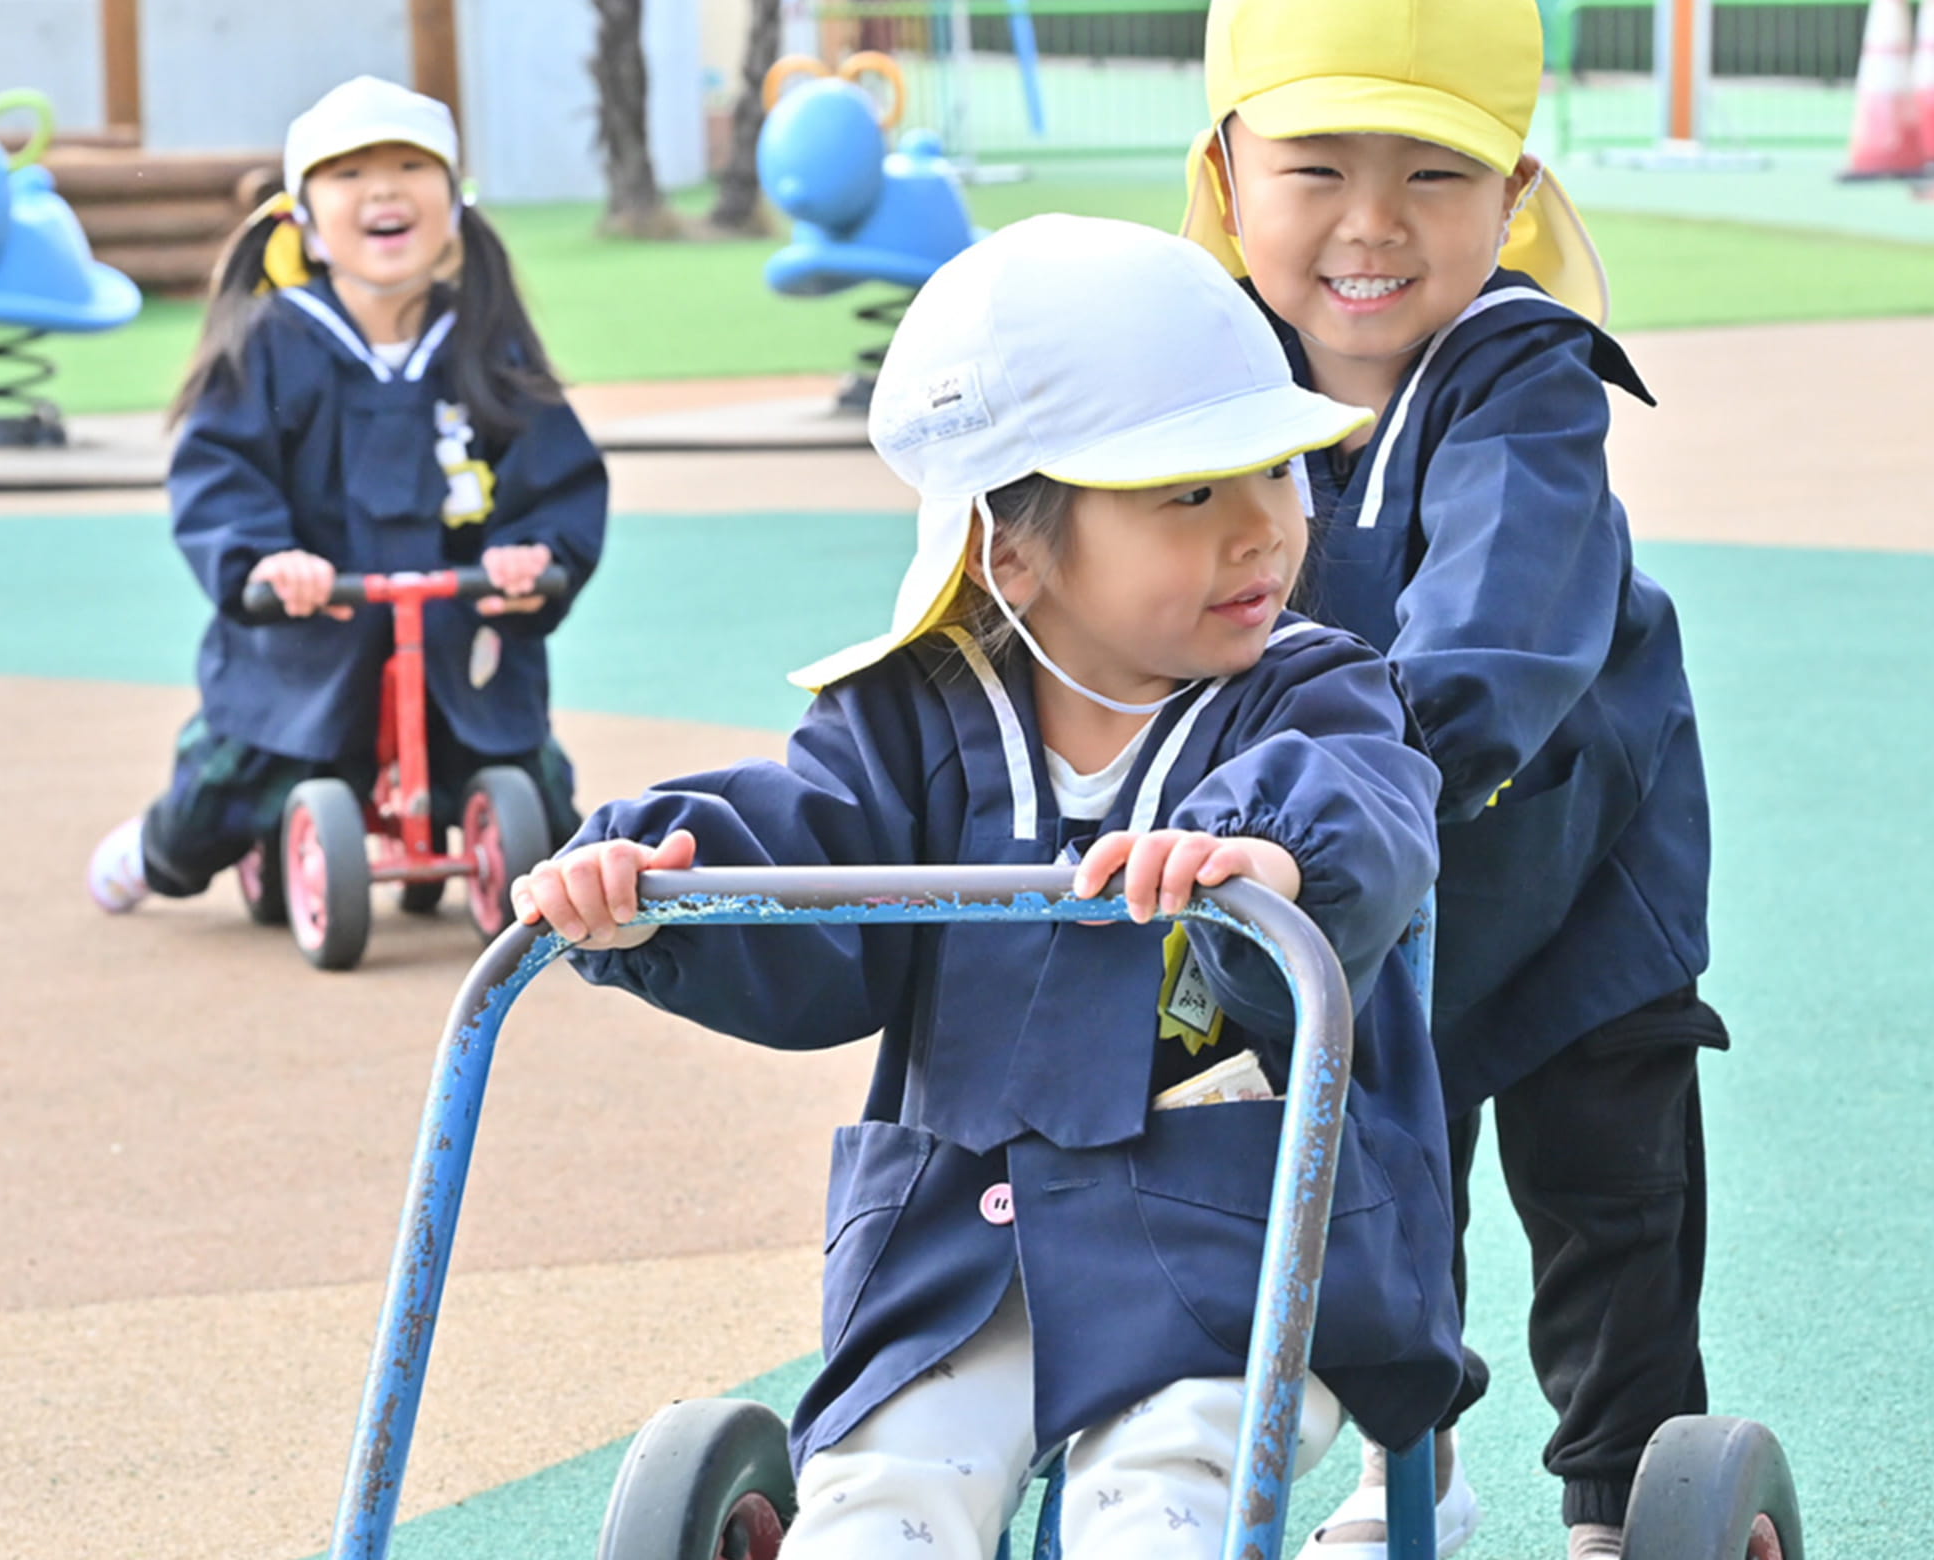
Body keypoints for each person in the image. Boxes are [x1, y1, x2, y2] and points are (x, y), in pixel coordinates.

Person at [514, 216, 1460, 1560]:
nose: (1262, 528)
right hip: (963, 1253)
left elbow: (1366, 799)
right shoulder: (913, 719)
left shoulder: (1309, 696)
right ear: (1008, 553)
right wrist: (660, 884)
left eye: (1275, 471)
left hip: (1232, 1244)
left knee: (1160, 1500)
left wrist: (1269, 857)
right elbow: (813, 874)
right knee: (880, 1497)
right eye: (1188, 495)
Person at [1180, 4, 1728, 1558]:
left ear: (1516, 199)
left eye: (1434, 174)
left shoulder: (1522, 379)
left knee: (1605, 1180)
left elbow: (1497, 618)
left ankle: (1625, 1502)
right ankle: (1404, 1457)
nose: (1372, 223)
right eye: (1317, 168)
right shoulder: (1204, 385)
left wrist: (1356, 784)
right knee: (1345, 1153)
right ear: (1228, 172)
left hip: (1563, 856)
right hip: (1339, 876)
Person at [87, 76, 606, 912]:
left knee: (540, 800)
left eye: (410, 165)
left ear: (454, 204)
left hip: (458, 645)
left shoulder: (484, 345)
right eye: (350, 175)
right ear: (305, 224)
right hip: (311, 647)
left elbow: (556, 472)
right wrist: (265, 560)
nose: (385, 190)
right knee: (222, 791)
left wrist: (539, 552)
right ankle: (155, 853)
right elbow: (221, 470)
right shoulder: (275, 344)